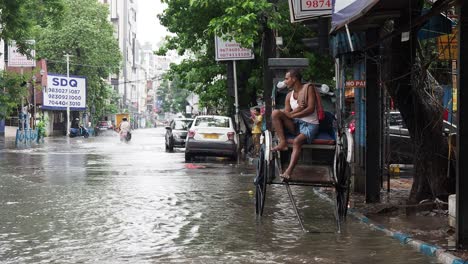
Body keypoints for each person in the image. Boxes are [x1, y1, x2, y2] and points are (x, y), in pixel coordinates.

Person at [271, 69, 319, 180]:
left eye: (286, 79)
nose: (285, 81)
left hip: (310, 124)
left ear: (294, 79)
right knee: (275, 113)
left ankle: (288, 171)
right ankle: (282, 142)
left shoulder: (308, 88)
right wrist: (291, 112)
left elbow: (311, 109)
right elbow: (288, 114)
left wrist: (293, 114)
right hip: (296, 124)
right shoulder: (289, 96)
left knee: (297, 141)